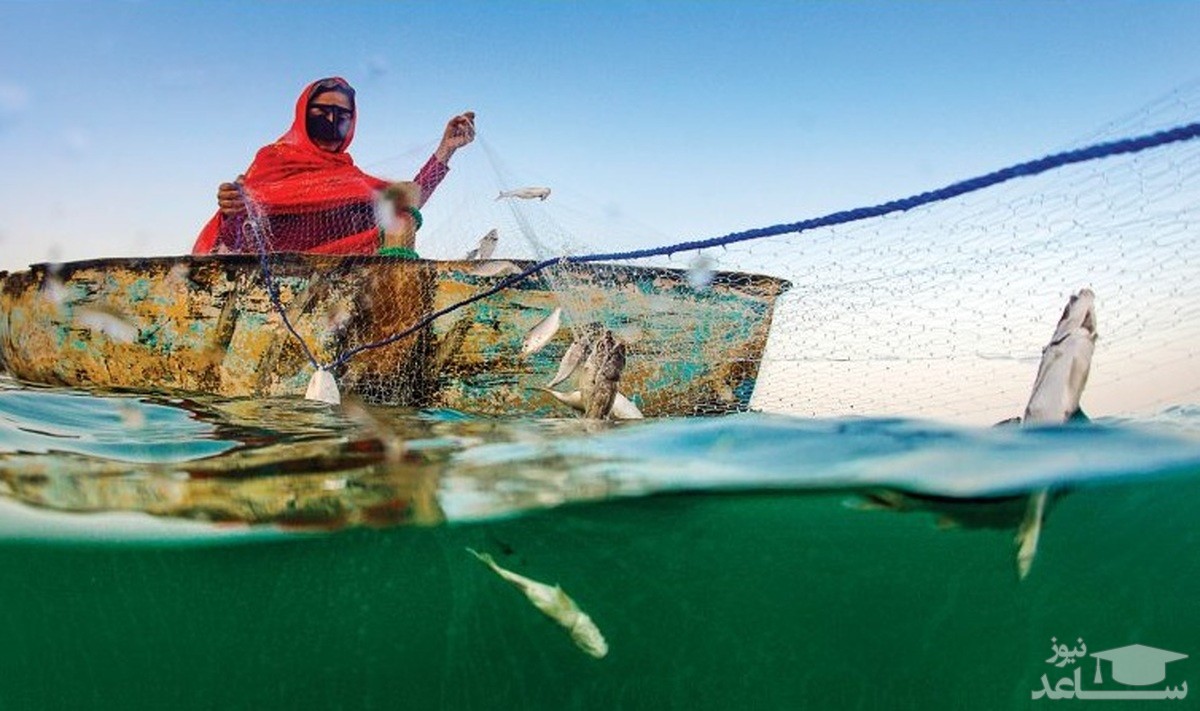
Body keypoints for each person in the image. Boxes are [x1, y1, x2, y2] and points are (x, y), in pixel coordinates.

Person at [192, 76, 475, 257]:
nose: (332, 118)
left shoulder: (351, 178)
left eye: (343, 113)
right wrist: (233, 210)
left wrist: (445, 150)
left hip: (342, 292)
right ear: (303, 113)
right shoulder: (273, 160)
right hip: (276, 291)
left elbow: (404, 203)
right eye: (322, 110)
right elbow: (236, 238)